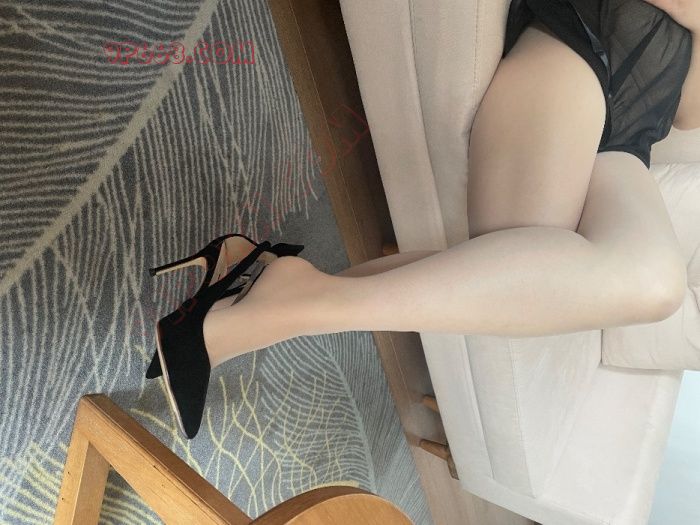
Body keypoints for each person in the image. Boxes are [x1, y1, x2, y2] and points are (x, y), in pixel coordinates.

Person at [152, 0, 700, 439]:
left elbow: (688, 112)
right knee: (543, 252)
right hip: (583, 51)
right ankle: (271, 301)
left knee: (645, 285)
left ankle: (273, 289)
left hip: (630, 144)